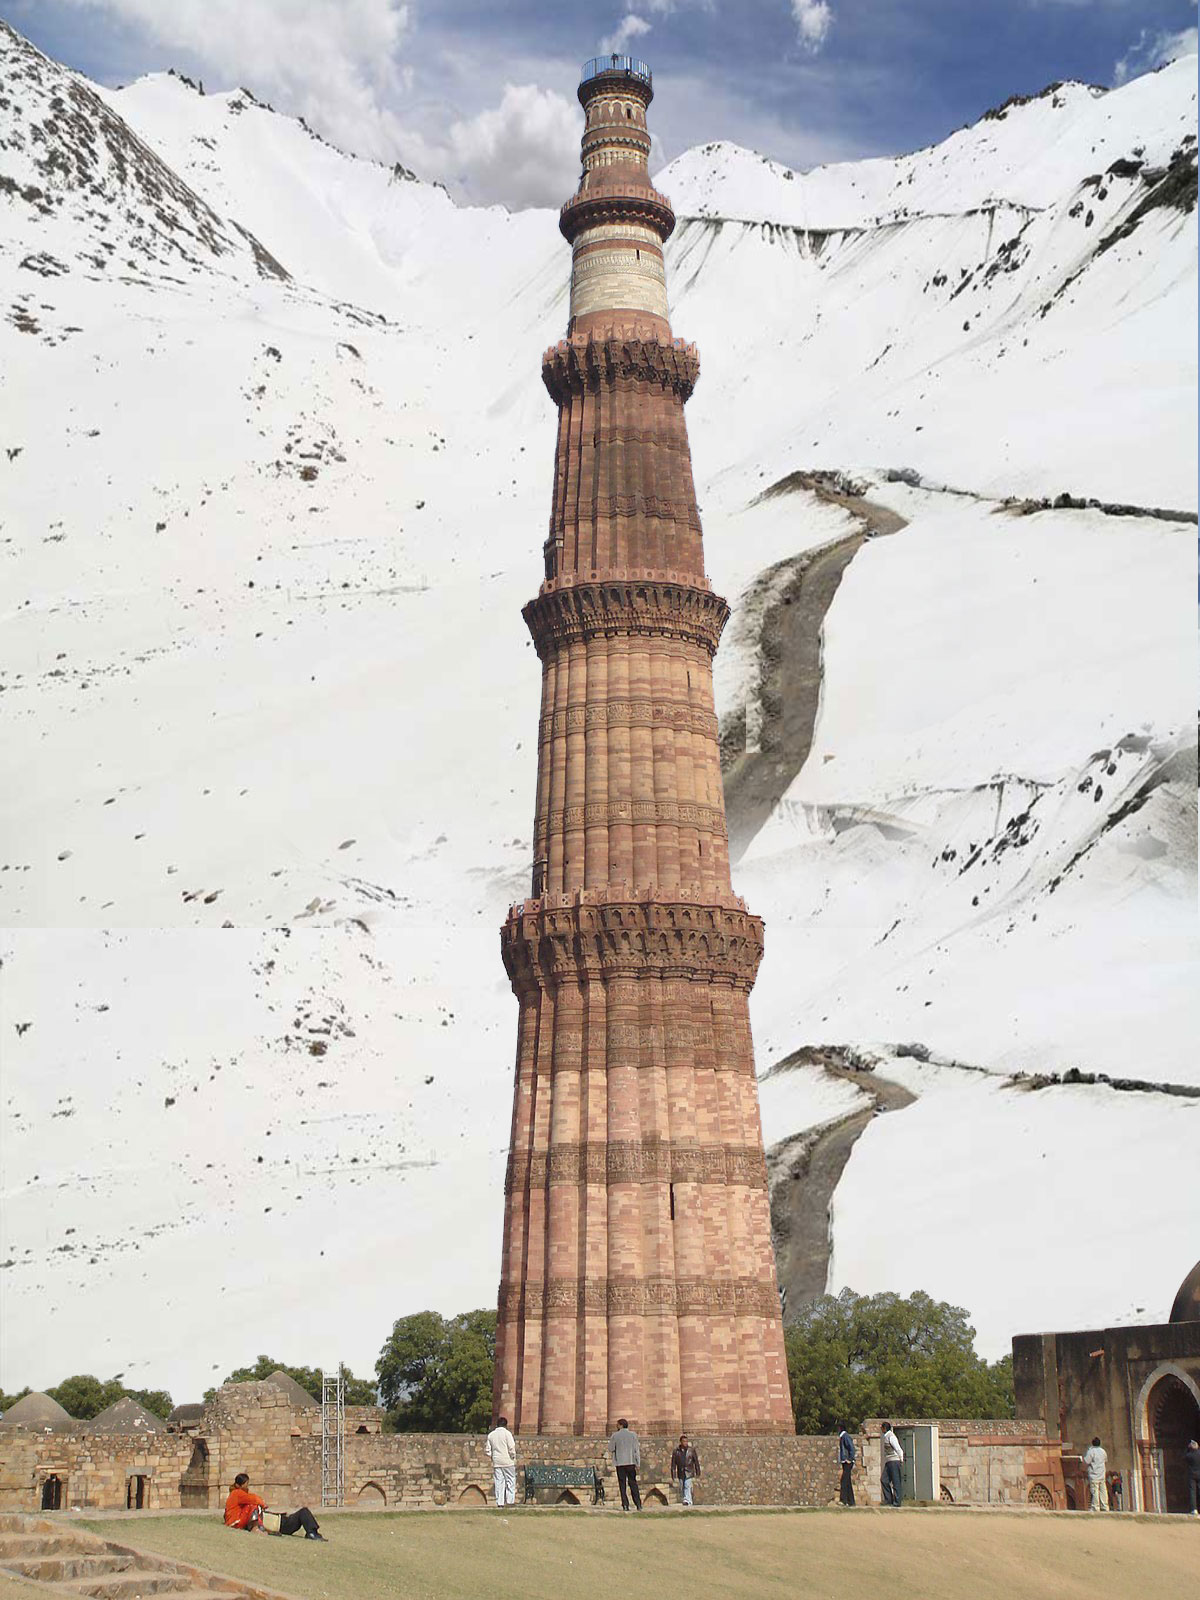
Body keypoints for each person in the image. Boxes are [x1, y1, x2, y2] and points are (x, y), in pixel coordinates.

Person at [223, 1473, 326, 1540]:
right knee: (304, 1512)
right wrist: (263, 1504)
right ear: (240, 1485)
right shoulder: (237, 1493)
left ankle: (312, 1532)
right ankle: (312, 1533)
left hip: (277, 1521)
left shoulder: (235, 1496)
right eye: (246, 1484)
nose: (248, 1487)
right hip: (279, 1523)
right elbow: (253, 1499)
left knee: (301, 1513)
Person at [608, 1419, 642, 1511]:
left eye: (617, 1425)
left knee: (622, 1485)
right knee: (633, 1483)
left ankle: (625, 1505)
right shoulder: (633, 1435)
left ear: (621, 1425)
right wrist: (638, 1463)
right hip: (631, 1462)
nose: (616, 1426)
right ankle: (638, 1504)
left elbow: (610, 1448)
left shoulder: (615, 1435)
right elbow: (636, 1450)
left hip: (620, 1463)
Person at [485, 1415, 517, 1508]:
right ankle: (510, 1501)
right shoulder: (507, 1434)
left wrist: (493, 1457)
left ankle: (500, 1502)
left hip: (497, 1461)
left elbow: (488, 1450)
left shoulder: (491, 1435)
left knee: (499, 1482)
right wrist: (513, 1457)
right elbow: (511, 1447)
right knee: (510, 1481)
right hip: (507, 1461)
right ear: (506, 1425)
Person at [670, 1435, 700, 1508]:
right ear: (681, 1442)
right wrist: (673, 1474)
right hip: (681, 1471)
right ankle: (685, 1499)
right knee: (682, 1486)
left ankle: (688, 1501)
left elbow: (695, 1461)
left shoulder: (691, 1450)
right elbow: (673, 1464)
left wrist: (697, 1471)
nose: (685, 1443)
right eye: (684, 1441)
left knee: (687, 1485)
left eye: (686, 1441)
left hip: (689, 1471)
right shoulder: (676, 1451)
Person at [880, 1424, 904, 1507]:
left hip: (894, 1460)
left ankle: (897, 1502)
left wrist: (901, 1459)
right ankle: (888, 1499)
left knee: (896, 1481)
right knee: (884, 1480)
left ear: (884, 1428)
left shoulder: (891, 1436)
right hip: (889, 1461)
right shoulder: (886, 1437)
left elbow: (898, 1448)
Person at [1082, 1437, 1108, 1511]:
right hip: (1102, 1474)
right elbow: (1105, 1460)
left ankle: (1095, 1507)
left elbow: (1087, 1461)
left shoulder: (1091, 1451)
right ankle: (1105, 1506)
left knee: (1095, 1491)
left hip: (1094, 1474)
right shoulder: (1103, 1451)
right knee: (1103, 1490)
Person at [837, 1424, 856, 1506]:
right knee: (847, 1481)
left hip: (847, 1461)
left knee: (844, 1480)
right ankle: (851, 1501)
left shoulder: (845, 1436)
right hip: (845, 1461)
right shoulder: (843, 1437)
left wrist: (850, 1459)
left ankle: (843, 1500)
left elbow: (851, 1448)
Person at [1185, 1437, 1200, 1515]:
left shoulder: (1189, 1455)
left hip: (1192, 1475)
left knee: (1192, 1492)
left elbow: (1185, 1457)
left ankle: (1194, 1509)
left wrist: (1188, 1449)